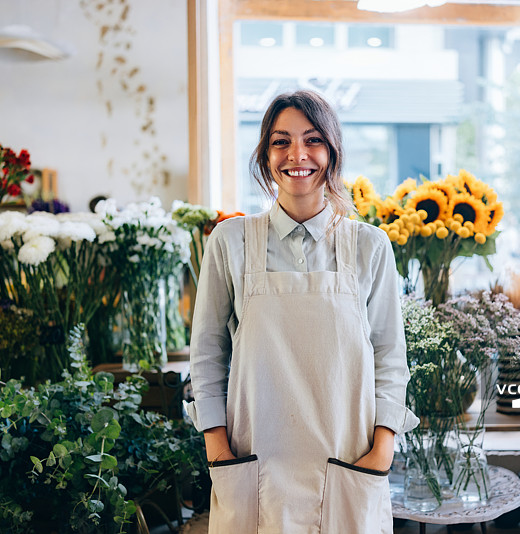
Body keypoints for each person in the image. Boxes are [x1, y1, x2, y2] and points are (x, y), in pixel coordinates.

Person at [186, 90, 418, 534]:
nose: (297, 155)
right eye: (280, 141)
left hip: (349, 464)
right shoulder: (230, 241)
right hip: (255, 469)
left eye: (313, 140)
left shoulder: (369, 245)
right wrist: (216, 445)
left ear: (332, 151)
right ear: (264, 154)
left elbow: (390, 354)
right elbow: (207, 353)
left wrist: (383, 448)